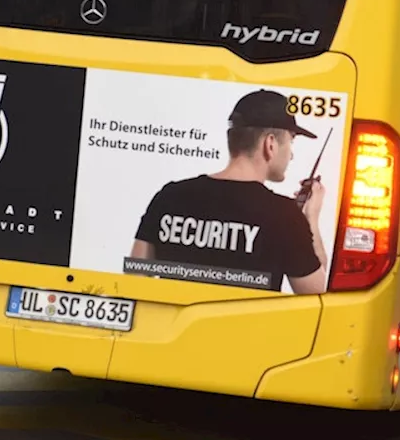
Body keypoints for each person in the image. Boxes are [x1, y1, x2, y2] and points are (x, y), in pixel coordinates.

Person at [129, 90, 329, 294]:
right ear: (270, 144)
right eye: (291, 141)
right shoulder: (284, 216)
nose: (292, 154)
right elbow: (318, 296)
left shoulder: (169, 196)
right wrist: (310, 218)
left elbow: (135, 279)